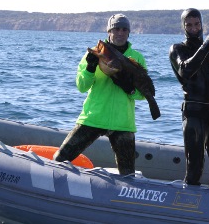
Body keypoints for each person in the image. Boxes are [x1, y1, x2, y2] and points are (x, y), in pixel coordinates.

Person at [53, 14, 147, 175]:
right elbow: (82, 86)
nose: (120, 33)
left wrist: (130, 89)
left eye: (124, 29)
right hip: (93, 117)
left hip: (123, 122)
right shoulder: (96, 53)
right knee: (59, 159)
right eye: (116, 29)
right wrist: (90, 67)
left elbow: (142, 94)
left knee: (128, 174)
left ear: (129, 33)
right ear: (109, 31)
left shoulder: (137, 58)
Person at [169, 8, 209, 186]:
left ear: (202, 24)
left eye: (197, 24)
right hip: (194, 113)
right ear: (183, 27)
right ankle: (187, 205)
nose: (194, 28)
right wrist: (206, 46)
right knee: (195, 167)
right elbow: (186, 70)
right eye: (189, 25)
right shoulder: (178, 49)